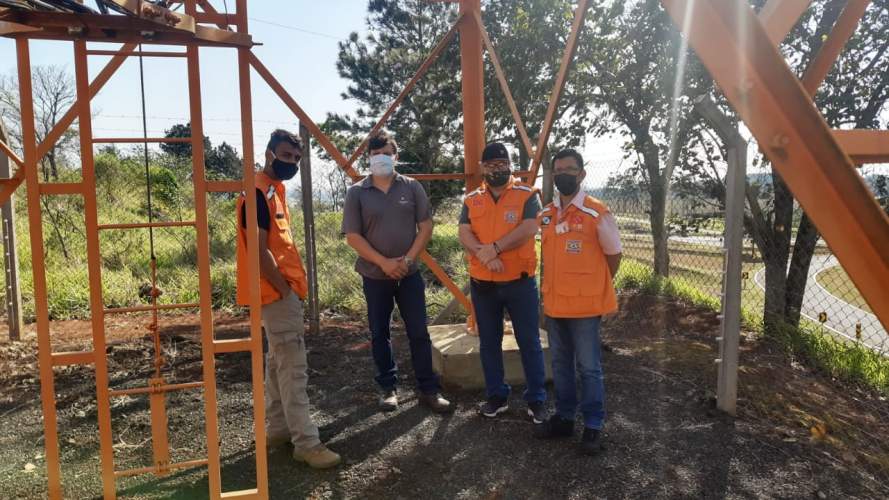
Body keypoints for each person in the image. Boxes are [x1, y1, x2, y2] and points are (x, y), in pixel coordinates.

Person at [236, 129, 341, 469]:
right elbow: (259, 250)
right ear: (269, 154)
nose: (291, 163)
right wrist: (283, 289)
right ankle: (307, 444)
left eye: (296, 158)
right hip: (276, 292)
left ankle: (279, 429)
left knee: (278, 362)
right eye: (286, 156)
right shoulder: (257, 194)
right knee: (293, 368)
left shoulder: (271, 191)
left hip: (279, 291)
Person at [342, 130, 452, 413]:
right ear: (368, 158)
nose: (382, 159)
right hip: (374, 275)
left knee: (419, 331)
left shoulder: (412, 187)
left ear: (396, 157)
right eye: (376, 154)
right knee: (380, 332)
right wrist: (384, 263)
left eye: (387, 154)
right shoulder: (357, 192)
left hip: (409, 273)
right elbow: (353, 236)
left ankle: (428, 390)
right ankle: (388, 388)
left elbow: (425, 227)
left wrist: (406, 260)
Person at [534, 148, 622, 455]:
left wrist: (592, 286)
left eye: (569, 170)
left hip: (585, 308)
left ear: (582, 174)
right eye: (557, 171)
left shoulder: (597, 213)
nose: (562, 175)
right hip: (556, 305)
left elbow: (613, 257)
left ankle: (593, 426)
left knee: (589, 368)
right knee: (560, 365)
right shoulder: (546, 214)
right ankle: (565, 418)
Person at [457, 142, 548, 425]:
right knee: (489, 343)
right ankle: (496, 397)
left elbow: (530, 227)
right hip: (483, 284)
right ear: (483, 168)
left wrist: (494, 248)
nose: (497, 169)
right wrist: (485, 258)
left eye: (502, 164)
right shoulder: (472, 199)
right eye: (491, 165)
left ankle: (537, 400)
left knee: (529, 342)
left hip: (519, 284)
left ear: (510, 165)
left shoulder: (526, 194)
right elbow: (464, 232)